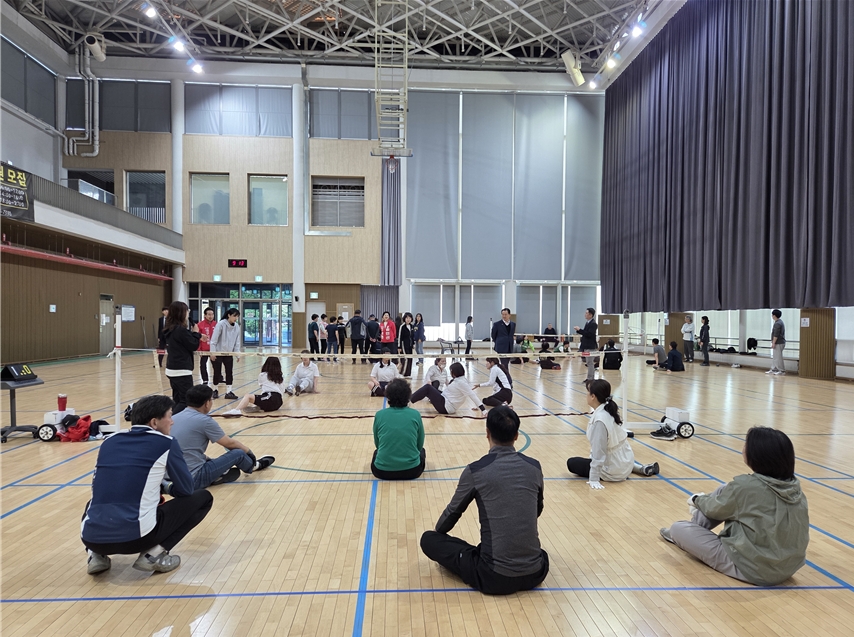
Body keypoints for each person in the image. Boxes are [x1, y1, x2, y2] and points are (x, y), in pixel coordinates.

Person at [420, 406, 549, 595]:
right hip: (537, 572)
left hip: (495, 577)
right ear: (516, 436)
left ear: (487, 433)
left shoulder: (476, 470)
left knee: (428, 539)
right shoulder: (534, 467)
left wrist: (439, 535)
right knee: (540, 552)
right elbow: (537, 510)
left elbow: (451, 515)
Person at [81, 395, 213, 575]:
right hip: (137, 539)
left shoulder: (109, 440)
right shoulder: (167, 443)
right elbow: (186, 489)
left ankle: (95, 555)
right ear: (154, 422)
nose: (172, 422)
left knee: (94, 503)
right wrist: (167, 487)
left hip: (91, 539)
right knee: (203, 498)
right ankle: (153, 555)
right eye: (169, 416)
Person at [660, 427, 809, 586]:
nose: (743, 448)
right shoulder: (795, 488)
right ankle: (694, 529)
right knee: (724, 489)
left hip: (751, 569)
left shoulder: (746, 487)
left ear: (758, 455)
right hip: (788, 568)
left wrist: (697, 499)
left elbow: (714, 509)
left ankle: (688, 534)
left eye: (746, 444)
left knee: (678, 528)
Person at [171, 385, 276, 488]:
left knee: (206, 459)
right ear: (207, 403)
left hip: (171, 478)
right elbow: (229, 443)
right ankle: (254, 466)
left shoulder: (173, 418)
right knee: (238, 453)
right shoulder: (205, 421)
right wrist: (249, 452)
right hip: (193, 479)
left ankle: (219, 474)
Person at [566, 379, 659, 489]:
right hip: (627, 461)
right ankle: (639, 468)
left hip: (613, 470)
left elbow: (599, 452)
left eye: (588, 392)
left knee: (572, 463)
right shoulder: (608, 410)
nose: (586, 394)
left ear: (593, 396)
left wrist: (594, 478)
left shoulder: (600, 420)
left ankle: (634, 468)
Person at [371, 379, 426, 480]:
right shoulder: (415, 414)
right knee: (422, 451)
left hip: (381, 472)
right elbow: (419, 445)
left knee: (376, 452)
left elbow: (378, 444)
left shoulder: (379, 415)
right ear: (408, 396)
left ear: (388, 396)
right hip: (412, 471)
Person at [163, 301, 205, 414]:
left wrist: (198, 335)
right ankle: (170, 419)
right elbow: (193, 345)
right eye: (187, 311)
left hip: (172, 368)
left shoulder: (170, 328)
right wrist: (196, 333)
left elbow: (184, 340)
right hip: (181, 370)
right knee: (186, 401)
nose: (188, 313)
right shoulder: (180, 330)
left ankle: (173, 421)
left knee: (177, 399)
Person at [411, 362, 486, 416]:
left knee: (428, 388)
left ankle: (408, 400)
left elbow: (472, 395)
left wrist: (483, 409)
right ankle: (410, 399)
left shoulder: (461, 382)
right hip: (445, 399)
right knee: (431, 388)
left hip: (446, 407)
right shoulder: (460, 379)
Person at [210, 308, 241, 399]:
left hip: (228, 354)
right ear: (229, 315)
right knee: (217, 372)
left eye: (237, 316)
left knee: (229, 372)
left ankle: (229, 391)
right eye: (234, 316)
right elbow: (213, 340)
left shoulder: (237, 327)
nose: (236, 318)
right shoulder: (221, 324)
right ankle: (215, 390)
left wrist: (237, 354)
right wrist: (213, 353)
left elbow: (237, 343)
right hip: (218, 353)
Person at [574, 307, 599, 383]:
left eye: (586, 313)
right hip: (586, 345)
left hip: (590, 346)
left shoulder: (593, 324)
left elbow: (589, 334)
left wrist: (579, 330)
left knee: (590, 363)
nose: (585, 314)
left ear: (591, 315)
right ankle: (589, 378)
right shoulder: (588, 322)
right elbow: (585, 333)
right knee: (588, 363)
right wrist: (579, 331)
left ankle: (591, 378)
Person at [491, 308, 516, 377]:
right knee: (504, 364)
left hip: (509, 347)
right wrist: (499, 342)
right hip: (501, 347)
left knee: (506, 363)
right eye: (503, 314)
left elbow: (511, 334)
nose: (504, 316)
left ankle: (503, 378)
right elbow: (493, 335)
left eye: (505, 314)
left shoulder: (513, 324)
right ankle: (507, 379)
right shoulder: (497, 324)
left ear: (509, 315)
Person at [197, 307, 217, 386]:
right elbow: (197, 338)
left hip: (213, 350)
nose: (210, 316)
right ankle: (205, 380)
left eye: (212, 314)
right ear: (205, 315)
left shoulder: (216, 324)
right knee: (203, 365)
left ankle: (218, 378)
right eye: (209, 314)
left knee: (216, 365)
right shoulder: (200, 325)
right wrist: (199, 350)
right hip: (204, 349)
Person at [767, 309, 786, 375]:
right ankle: (774, 369)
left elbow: (776, 334)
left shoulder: (778, 323)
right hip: (779, 342)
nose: (772, 316)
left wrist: (773, 343)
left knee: (778, 357)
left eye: (772, 315)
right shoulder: (779, 322)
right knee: (775, 357)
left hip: (779, 343)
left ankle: (781, 370)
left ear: (774, 315)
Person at [399, 312, 414, 377]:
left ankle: (408, 374)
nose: (408, 319)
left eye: (409, 318)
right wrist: (399, 346)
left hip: (410, 345)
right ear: (404, 318)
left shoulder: (412, 326)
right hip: (404, 345)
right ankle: (402, 373)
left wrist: (413, 344)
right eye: (407, 318)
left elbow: (412, 336)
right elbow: (400, 337)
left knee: (410, 359)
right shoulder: (402, 327)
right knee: (405, 359)